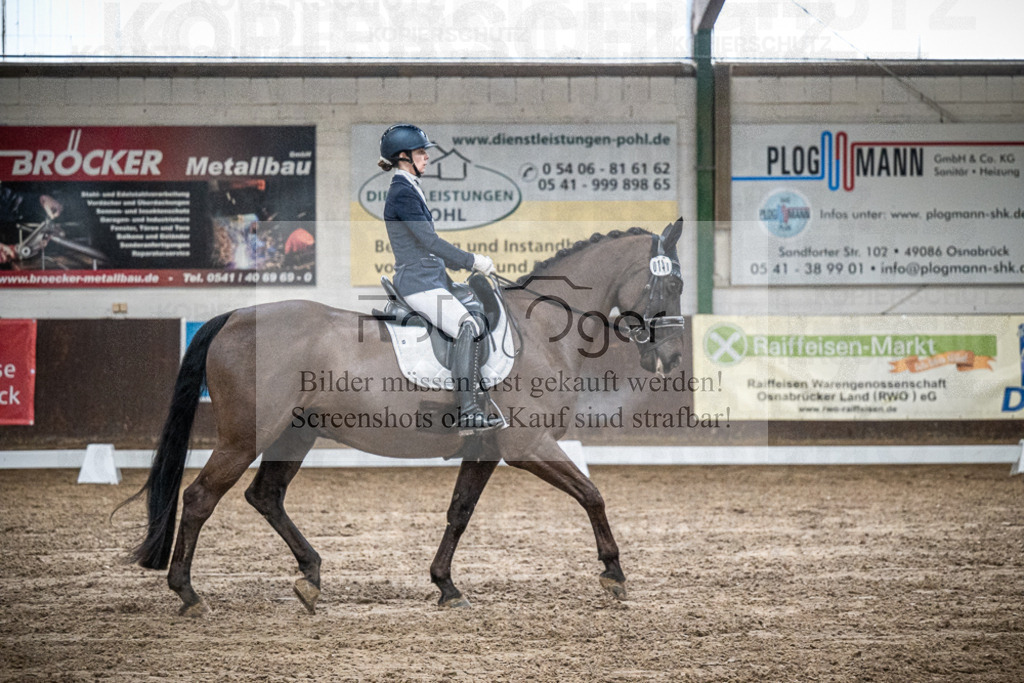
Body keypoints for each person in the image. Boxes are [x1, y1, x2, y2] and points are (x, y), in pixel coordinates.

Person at [378, 124, 504, 434]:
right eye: (421, 152)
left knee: (474, 309)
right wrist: (473, 261)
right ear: (403, 157)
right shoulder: (402, 192)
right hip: (418, 282)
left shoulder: (409, 187)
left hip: (431, 278)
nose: (427, 157)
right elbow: (430, 242)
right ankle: (469, 410)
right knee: (468, 326)